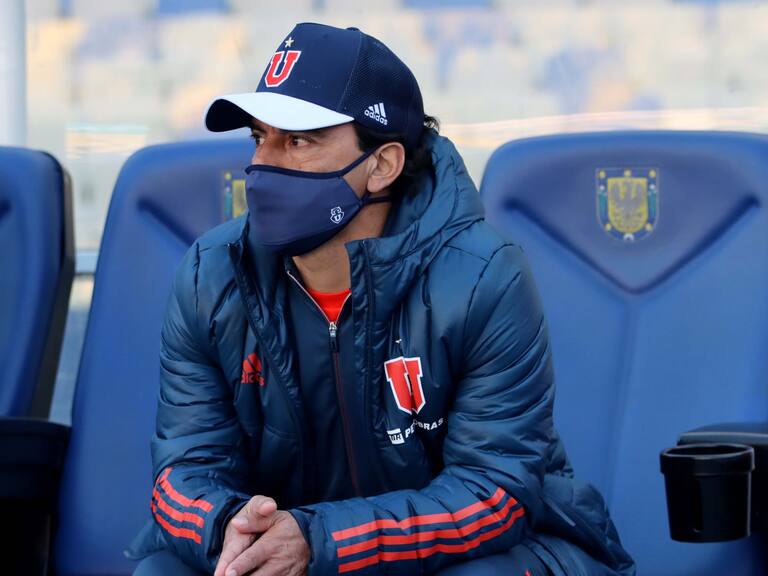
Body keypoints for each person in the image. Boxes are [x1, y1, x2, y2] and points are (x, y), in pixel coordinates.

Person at [127, 22, 635, 576]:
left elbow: (493, 493)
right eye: (259, 137)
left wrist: (321, 544)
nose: (266, 164)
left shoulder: (484, 276)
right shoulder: (211, 275)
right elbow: (183, 472)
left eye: (298, 140)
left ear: (383, 165)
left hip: (497, 553)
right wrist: (232, 530)